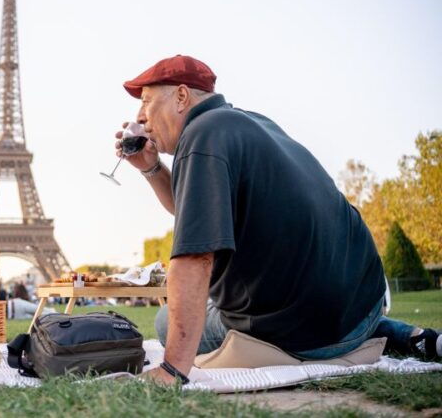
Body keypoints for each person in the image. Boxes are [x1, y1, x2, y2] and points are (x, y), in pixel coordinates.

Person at [115, 55, 441, 386]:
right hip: (361, 303)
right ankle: (406, 336)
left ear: (182, 97)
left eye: (146, 101)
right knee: (210, 303)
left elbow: (194, 257)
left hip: (302, 329)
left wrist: (172, 369)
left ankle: (356, 339)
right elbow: (195, 209)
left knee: (166, 319)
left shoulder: (199, 135)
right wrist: (151, 168)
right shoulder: (250, 123)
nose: (140, 116)